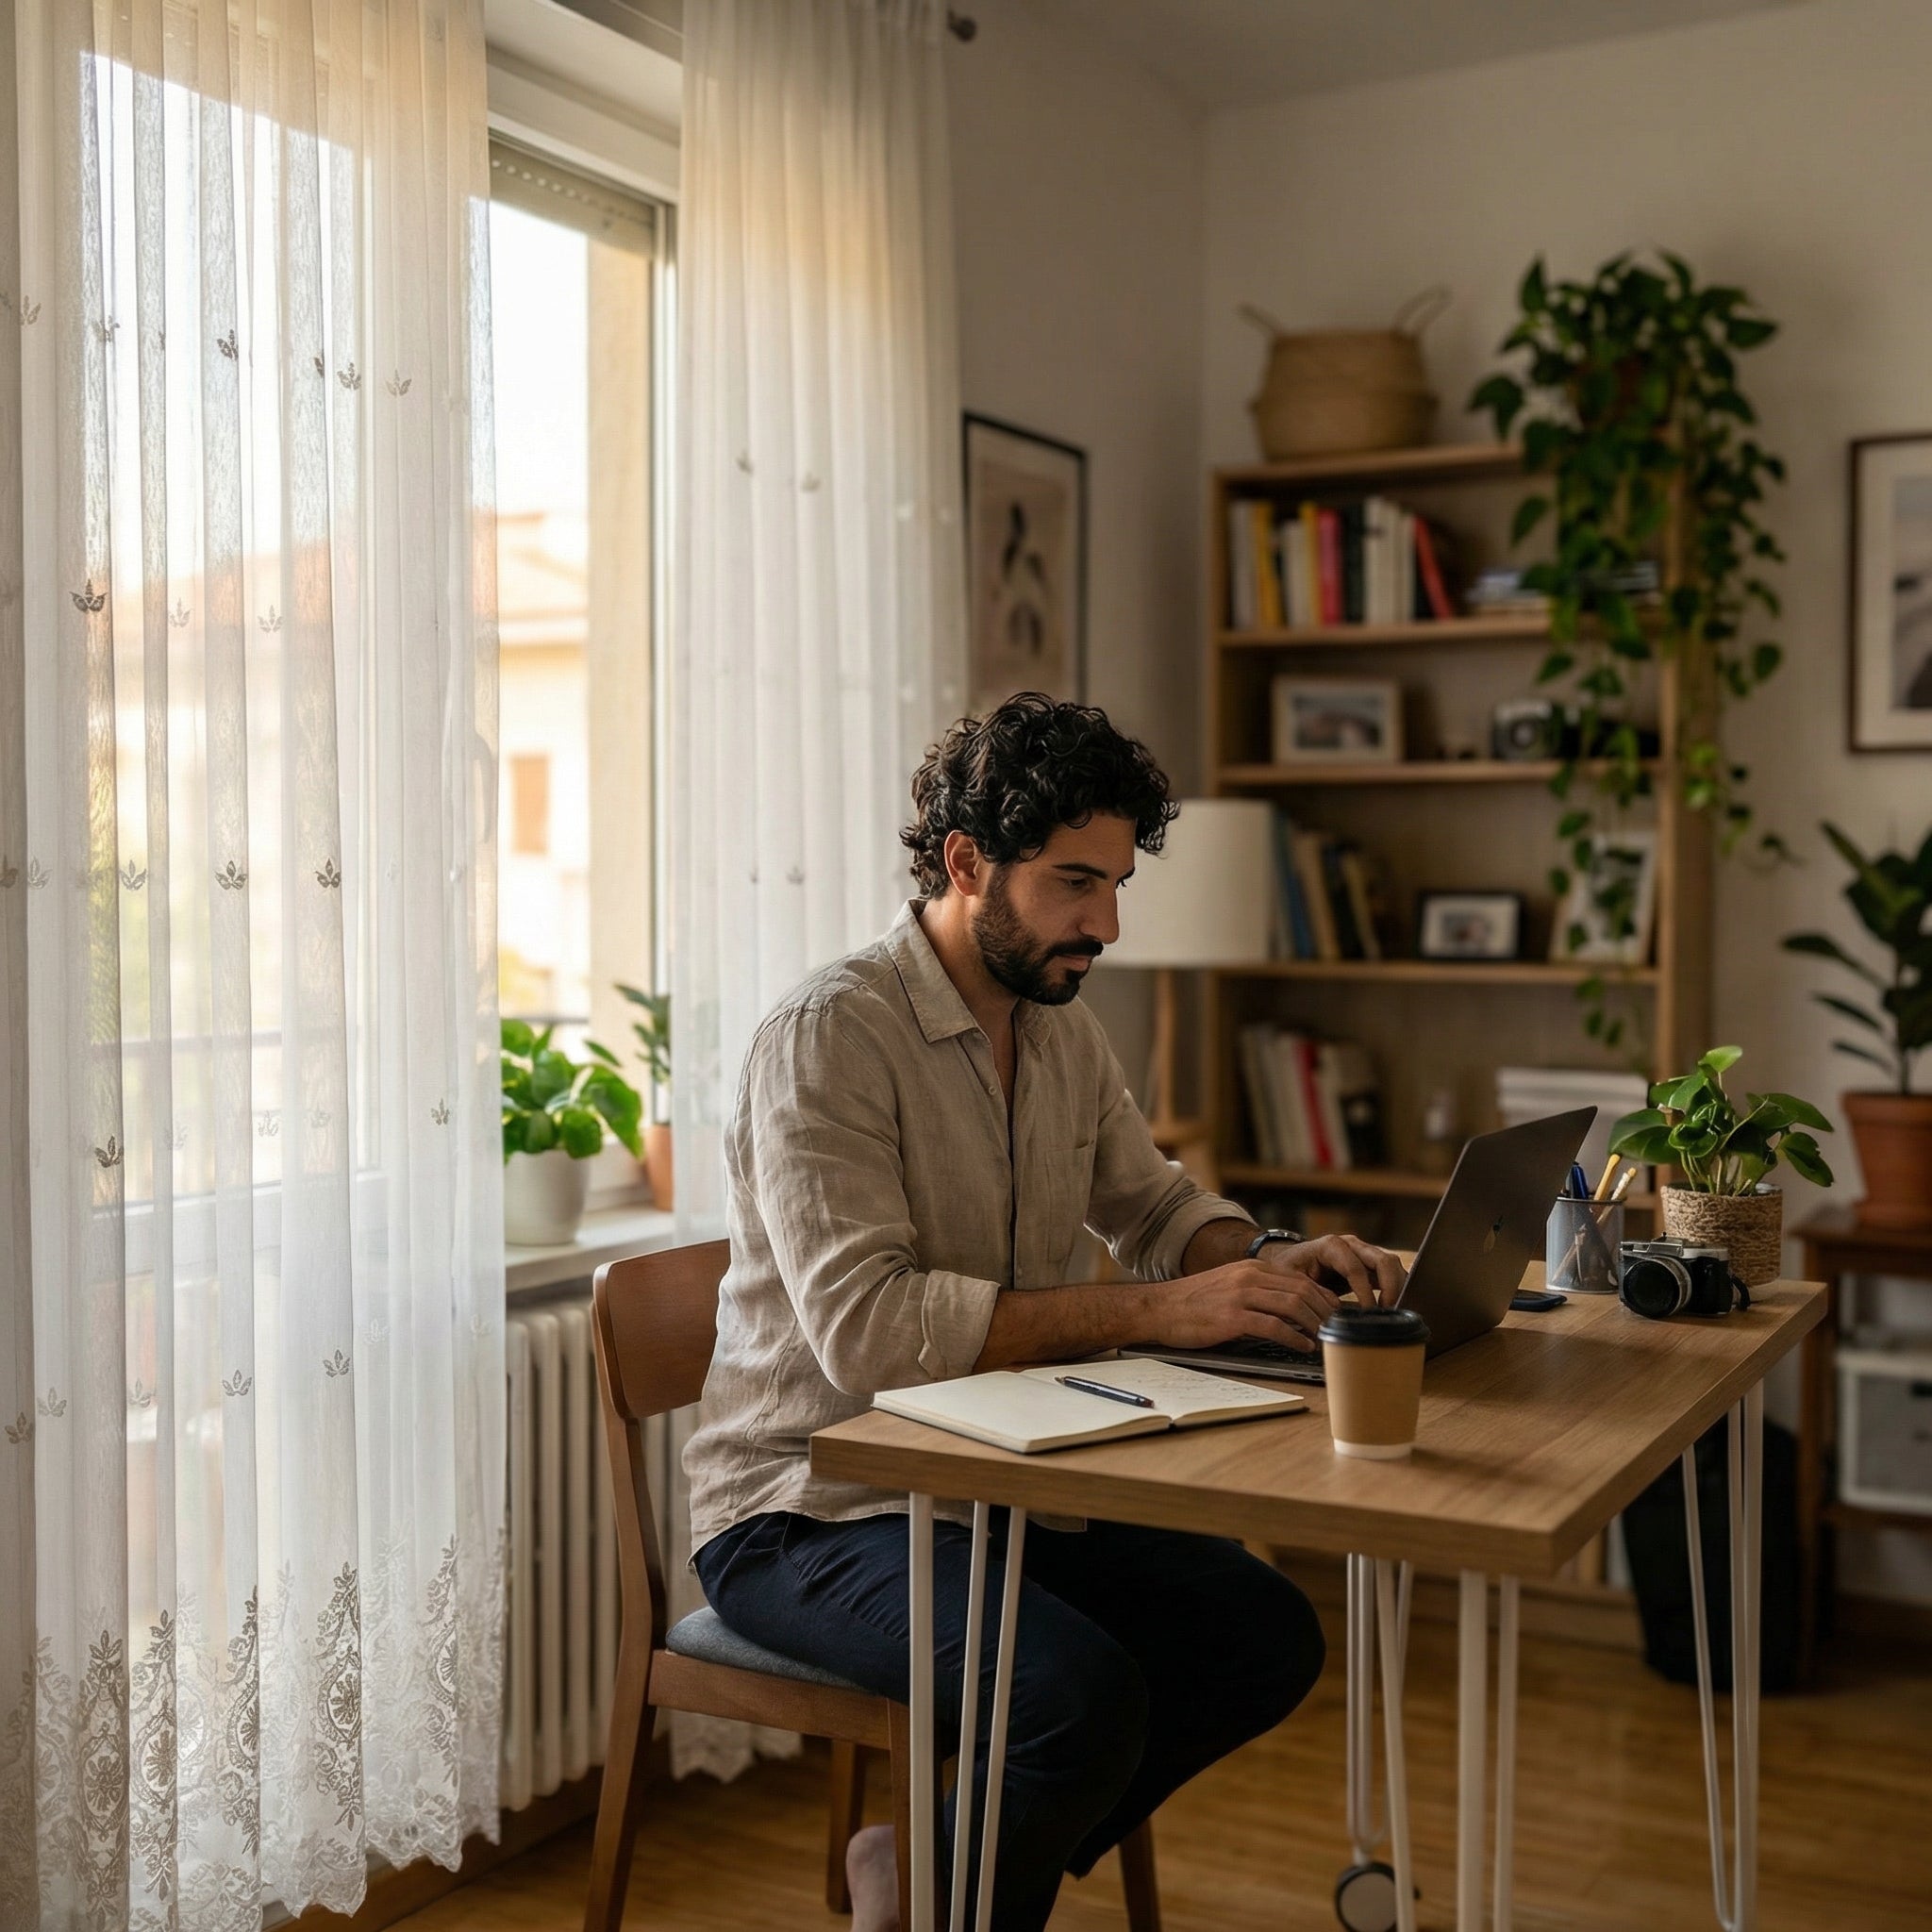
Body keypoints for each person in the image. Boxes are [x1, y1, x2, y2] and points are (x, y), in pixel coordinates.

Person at [685, 693, 1407, 1932]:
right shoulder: (829, 1034)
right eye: (1078, 884)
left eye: (1117, 885)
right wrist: (1167, 1312)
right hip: (810, 1509)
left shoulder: (1059, 1028)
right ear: (969, 864)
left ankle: (931, 1874)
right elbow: (868, 1333)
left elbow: (1160, 1209)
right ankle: (951, 1885)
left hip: (1000, 1482)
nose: (1108, 925)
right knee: (1074, 1700)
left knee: (1263, 1635)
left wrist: (1282, 1262)